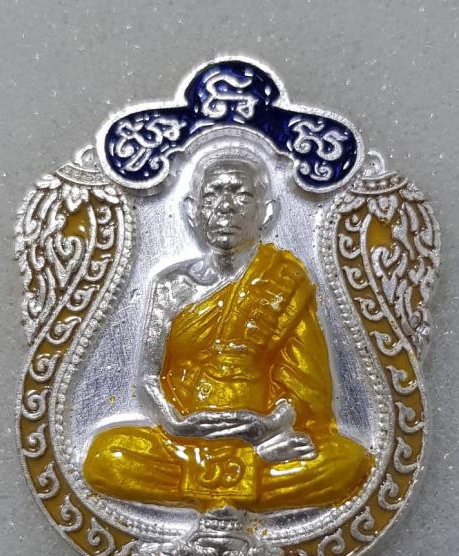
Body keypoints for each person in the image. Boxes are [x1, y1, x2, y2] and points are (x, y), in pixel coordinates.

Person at [83, 152, 374, 511]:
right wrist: (175, 424)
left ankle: (215, 481)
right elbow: (148, 375)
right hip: (187, 437)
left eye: (241, 194)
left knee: (348, 462)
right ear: (192, 211)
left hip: (259, 433)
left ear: (266, 212)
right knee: (106, 457)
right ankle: (246, 475)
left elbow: (307, 390)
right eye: (212, 195)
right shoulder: (172, 284)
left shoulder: (285, 280)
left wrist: (269, 425)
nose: (224, 207)